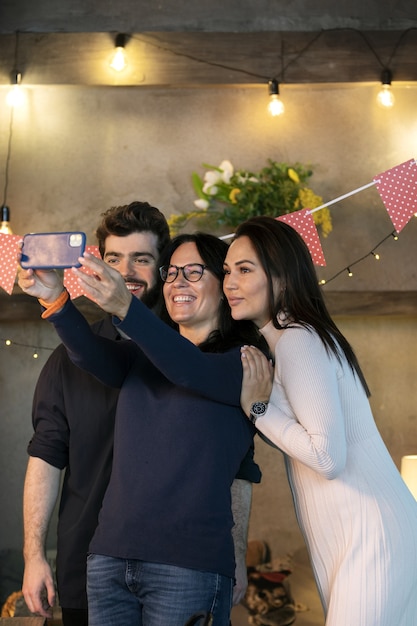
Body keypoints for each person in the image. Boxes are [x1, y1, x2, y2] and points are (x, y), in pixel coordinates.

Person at [18, 231, 267, 626]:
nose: (177, 282)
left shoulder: (244, 363)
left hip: (188, 567)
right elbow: (88, 352)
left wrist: (126, 310)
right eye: (171, 273)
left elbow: (188, 369)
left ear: (225, 287)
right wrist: (55, 299)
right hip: (109, 562)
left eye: (194, 271)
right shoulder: (140, 357)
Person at [222, 215, 417, 626]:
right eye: (226, 271)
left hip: (372, 533)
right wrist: (259, 412)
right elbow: (307, 440)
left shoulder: (298, 339)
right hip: (359, 533)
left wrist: (258, 409)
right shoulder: (294, 338)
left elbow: (327, 457)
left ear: (284, 278)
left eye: (244, 270)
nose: (229, 283)